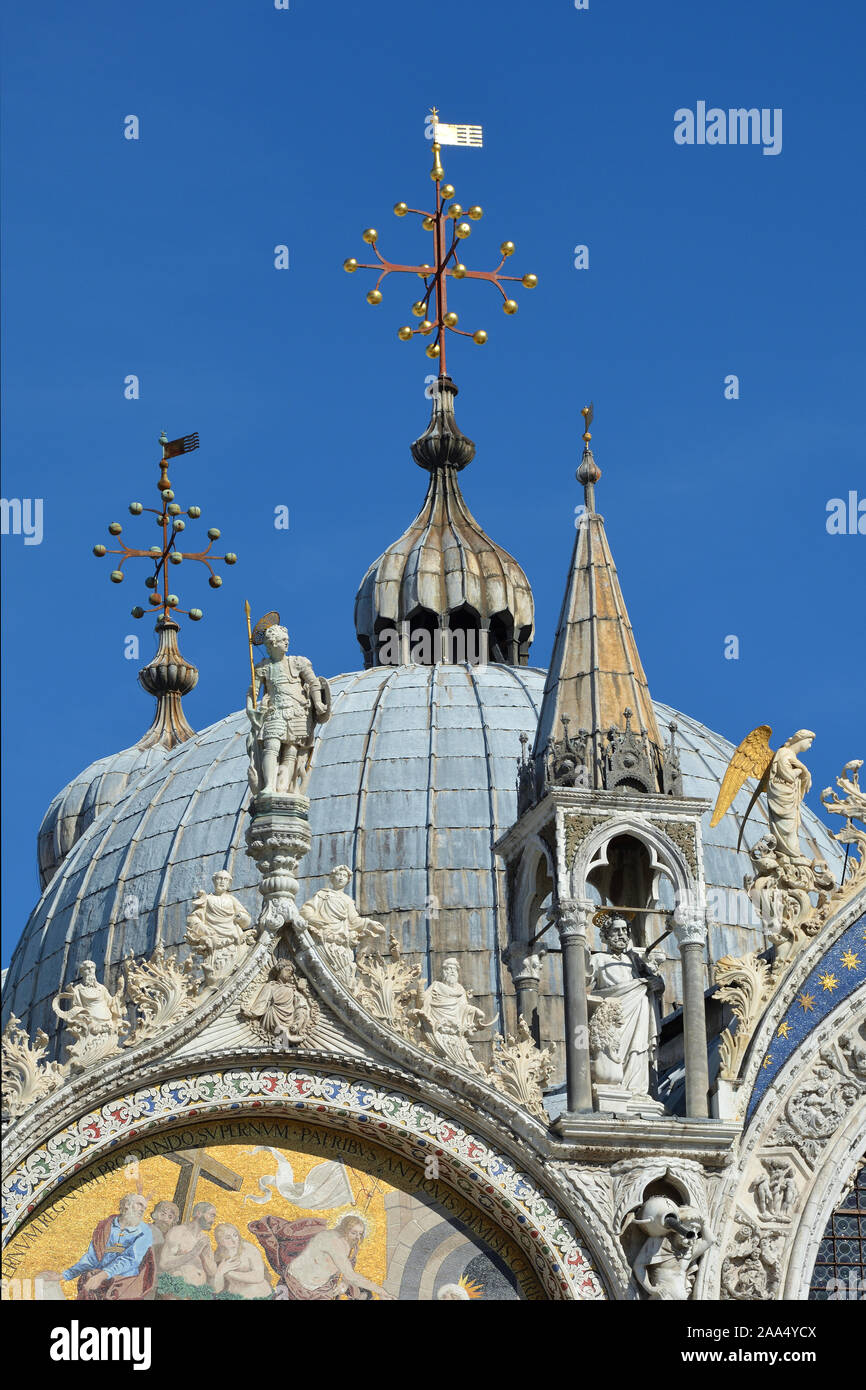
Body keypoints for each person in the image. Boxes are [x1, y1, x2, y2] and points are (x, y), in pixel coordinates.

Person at [246, 625, 330, 795]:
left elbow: (314, 683)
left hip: (298, 711)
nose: (287, 643)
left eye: (287, 640)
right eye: (283, 640)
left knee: (291, 751)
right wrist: (250, 709)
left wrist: (319, 702)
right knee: (271, 746)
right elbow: (252, 692)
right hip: (275, 711)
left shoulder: (298, 662)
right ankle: (270, 785)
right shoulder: (263, 667)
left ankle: (284, 788)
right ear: (272, 643)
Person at [587, 914, 664, 1098]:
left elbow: (655, 982)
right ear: (605, 936)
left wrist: (656, 984)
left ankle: (636, 1090)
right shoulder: (598, 960)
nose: (621, 935)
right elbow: (580, 985)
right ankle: (615, 1087)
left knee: (638, 1048)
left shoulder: (634, 961)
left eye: (624, 930)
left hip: (639, 1012)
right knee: (615, 1051)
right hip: (614, 1019)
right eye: (615, 930)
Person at [249, 1212, 393, 1300]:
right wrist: (380, 1290)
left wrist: (345, 1284)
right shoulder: (331, 1240)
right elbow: (350, 1273)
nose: (357, 1237)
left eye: (360, 1234)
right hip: (297, 1284)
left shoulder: (350, 1248)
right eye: (353, 1232)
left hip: (320, 1290)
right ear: (344, 1228)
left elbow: (349, 1274)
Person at [39, 1192, 154, 1300]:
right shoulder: (106, 1226)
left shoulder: (145, 1232)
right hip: (98, 1279)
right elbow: (91, 1258)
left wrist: (103, 1275)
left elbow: (130, 1259)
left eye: (144, 1207)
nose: (142, 1210)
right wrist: (63, 1276)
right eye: (139, 1205)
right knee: (87, 1280)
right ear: (127, 1205)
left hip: (125, 1282)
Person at [156, 1201, 218, 1299]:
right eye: (211, 1215)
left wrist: (204, 1256)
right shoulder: (178, 1232)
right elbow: (163, 1264)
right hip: (177, 1294)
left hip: (198, 1294)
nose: (213, 1220)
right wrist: (192, 1253)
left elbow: (212, 1272)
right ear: (199, 1213)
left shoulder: (205, 1239)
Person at [212, 1223, 273, 1299]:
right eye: (228, 1238)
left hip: (259, 1295)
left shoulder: (249, 1249)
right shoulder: (218, 1256)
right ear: (219, 1241)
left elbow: (258, 1276)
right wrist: (219, 1273)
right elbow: (217, 1289)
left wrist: (229, 1272)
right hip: (235, 1296)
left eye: (235, 1235)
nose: (234, 1240)